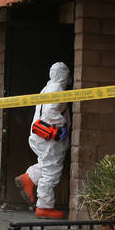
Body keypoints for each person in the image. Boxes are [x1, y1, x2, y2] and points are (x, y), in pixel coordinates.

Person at [16, 62, 71, 219]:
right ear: (64, 75)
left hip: (40, 135)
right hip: (49, 137)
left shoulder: (48, 87)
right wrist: (61, 126)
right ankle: (45, 207)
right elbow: (49, 112)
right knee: (51, 171)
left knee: (47, 165)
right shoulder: (57, 89)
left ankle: (29, 178)